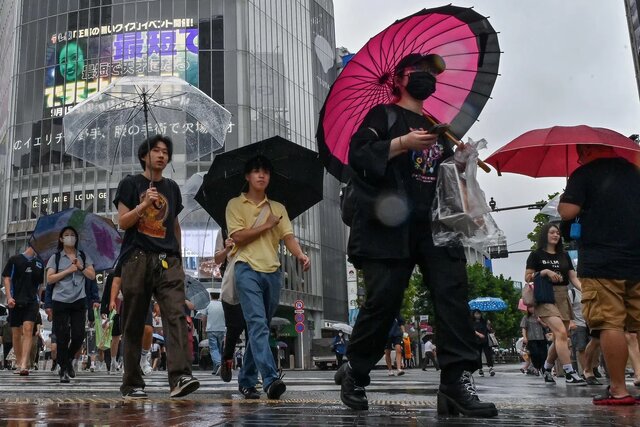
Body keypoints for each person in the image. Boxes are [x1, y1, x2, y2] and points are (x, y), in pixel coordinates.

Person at [333, 52, 497, 418]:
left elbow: (445, 177)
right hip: (389, 226)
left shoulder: (437, 124)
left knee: (452, 296)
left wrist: (463, 160)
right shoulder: (383, 116)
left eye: (431, 73)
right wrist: (403, 144)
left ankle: (456, 381)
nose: (426, 77)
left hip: (436, 226)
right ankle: (356, 371)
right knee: (384, 301)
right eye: (419, 71)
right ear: (400, 78)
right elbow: (359, 156)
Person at [113, 134, 199, 399]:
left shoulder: (172, 187)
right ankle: (132, 383)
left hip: (167, 260)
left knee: (175, 315)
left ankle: (180, 376)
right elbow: (122, 222)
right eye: (156, 151)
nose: (161, 155)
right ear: (144, 156)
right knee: (134, 321)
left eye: (165, 152)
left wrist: (180, 261)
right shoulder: (130, 183)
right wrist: (144, 205)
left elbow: (173, 225)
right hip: (137, 258)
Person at [558, 143, 640, 405]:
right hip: (637, 259)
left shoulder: (584, 174)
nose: (579, 157)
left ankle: (618, 390)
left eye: (581, 152)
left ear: (588, 151)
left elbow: (568, 212)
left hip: (602, 262)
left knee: (610, 323)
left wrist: (570, 198)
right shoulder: (635, 172)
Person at [225, 155, 310, 400]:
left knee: (259, 328)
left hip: (272, 272)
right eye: (256, 171)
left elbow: (288, 237)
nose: (261, 175)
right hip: (246, 268)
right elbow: (238, 237)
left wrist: (301, 255)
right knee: (258, 324)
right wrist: (265, 225)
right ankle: (271, 380)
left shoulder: (278, 208)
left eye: (265, 172)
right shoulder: (235, 204)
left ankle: (247, 381)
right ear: (247, 176)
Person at [524, 223, 584, 386]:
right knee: (561, 333)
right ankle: (570, 372)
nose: (556, 235)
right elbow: (527, 277)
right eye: (552, 232)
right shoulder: (536, 255)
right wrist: (544, 272)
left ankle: (547, 367)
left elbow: (573, 277)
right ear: (545, 235)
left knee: (561, 336)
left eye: (557, 233)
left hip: (563, 295)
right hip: (545, 296)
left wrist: (584, 291)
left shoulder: (564, 255)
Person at [45, 226, 96, 383]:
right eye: (66, 235)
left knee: (79, 335)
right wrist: (68, 270)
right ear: (61, 239)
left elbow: (92, 275)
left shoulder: (83, 256)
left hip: (79, 300)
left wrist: (79, 266)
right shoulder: (56, 258)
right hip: (60, 300)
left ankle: (66, 361)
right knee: (62, 336)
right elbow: (50, 279)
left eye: (72, 235)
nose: (69, 237)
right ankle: (64, 370)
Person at [2, 245, 44, 376]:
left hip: (32, 302)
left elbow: (40, 284)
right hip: (15, 301)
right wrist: (9, 297)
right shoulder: (14, 260)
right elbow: (7, 278)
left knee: (28, 329)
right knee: (16, 333)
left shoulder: (39, 264)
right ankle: (19, 362)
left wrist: (39, 300)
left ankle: (25, 364)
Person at [214, 234, 246, 383]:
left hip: (252, 283)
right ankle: (227, 359)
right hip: (231, 287)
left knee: (253, 328)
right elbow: (217, 259)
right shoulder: (224, 230)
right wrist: (227, 249)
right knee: (234, 328)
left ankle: (250, 371)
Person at [197, 295, 226, 376]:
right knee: (219, 349)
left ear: (210, 296)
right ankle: (215, 369)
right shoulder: (222, 305)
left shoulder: (207, 304)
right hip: (221, 328)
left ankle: (219, 363)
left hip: (211, 329)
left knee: (213, 349)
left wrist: (204, 328)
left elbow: (203, 317)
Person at [520, 306, 546, 376]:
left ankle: (543, 369)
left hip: (541, 338)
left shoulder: (541, 317)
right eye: (530, 307)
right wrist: (525, 337)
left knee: (543, 355)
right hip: (531, 339)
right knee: (535, 353)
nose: (532, 309)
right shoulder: (526, 318)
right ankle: (536, 367)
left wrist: (540, 321)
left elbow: (546, 326)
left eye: (533, 307)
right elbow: (524, 328)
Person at [471, 310, 495, 377]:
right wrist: (479, 334)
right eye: (476, 314)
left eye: (479, 314)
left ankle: (490, 368)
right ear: (473, 315)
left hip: (485, 340)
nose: (478, 315)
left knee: (488, 354)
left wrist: (488, 325)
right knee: (478, 355)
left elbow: (489, 330)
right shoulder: (472, 322)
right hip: (477, 341)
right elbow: (472, 330)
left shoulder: (484, 322)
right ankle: (480, 369)